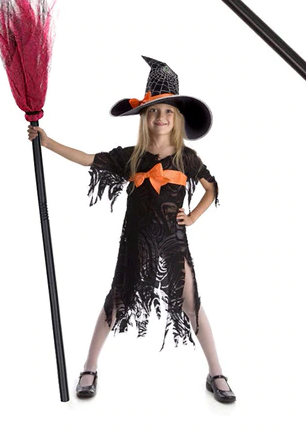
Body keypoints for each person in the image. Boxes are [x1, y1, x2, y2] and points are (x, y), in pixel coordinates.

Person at [27, 56, 235, 403]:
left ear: (177, 118)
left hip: (173, 243)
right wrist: (48, 143)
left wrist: (194, 216)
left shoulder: (187, 158)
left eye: (167, 111)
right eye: (153, 111)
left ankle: (216, 373)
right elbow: (88, 158)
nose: (160, 117)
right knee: (117, 300)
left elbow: (211, 187)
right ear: (144, 117)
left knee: (191, 304)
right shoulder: (131, 157)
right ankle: (90, 367)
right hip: (136, 241)